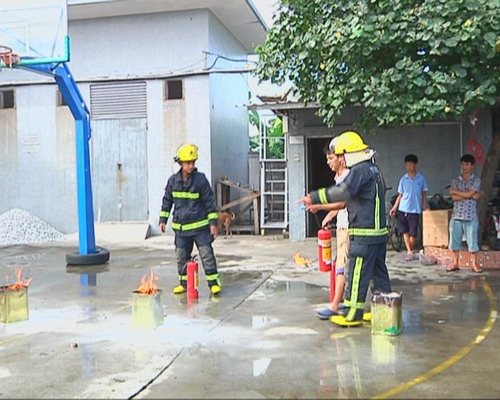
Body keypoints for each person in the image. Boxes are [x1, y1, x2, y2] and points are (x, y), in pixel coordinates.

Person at [300, 131, 392, 327]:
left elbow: (342, 192)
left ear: (348, 153)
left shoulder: (359, 170)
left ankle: (352, 313)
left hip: (364, 233)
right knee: (379, 274)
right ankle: (384, 310)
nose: (340, 158)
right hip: (379, 233)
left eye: (341, 154)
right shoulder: (374, 169)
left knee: (356, 275)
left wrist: (314, 197)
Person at [159, 143, 222, 294]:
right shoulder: (173, 181)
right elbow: (167, 201)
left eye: (193, 162)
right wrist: (163, 220)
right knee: (181, 257)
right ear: (181, 163)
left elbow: (209, 202)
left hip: (200, 228)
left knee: (207, 255)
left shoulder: (200, 180)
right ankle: (184, 284)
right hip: (181, 229)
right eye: (188, 162)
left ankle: (214, 283)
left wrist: (213, 224)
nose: (191, 165)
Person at [309, 141, 350, 319]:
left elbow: (342, 202)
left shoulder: (347, 177)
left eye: (331, 158)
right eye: (327, 158)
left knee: (341, 265)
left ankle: (335, 305)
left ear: (341, 158)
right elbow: (340, 205)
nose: (328, 162)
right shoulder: (339, 178)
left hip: (348, 227)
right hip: (342, 226)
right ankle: (347, 301)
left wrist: (319, 206)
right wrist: (329, 216)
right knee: (343, 264)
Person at [447, 154, 483, 273]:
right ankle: (455, 263)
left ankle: (474, 264)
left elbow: (465, 194)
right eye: (462, 164)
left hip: (470, 216)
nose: (464, 167)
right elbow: (454, 197)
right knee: (454, 242)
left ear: (472, 166)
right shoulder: (455, 180)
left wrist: (457, 192)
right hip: (456, 216)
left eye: (467, 164)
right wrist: (470, 195)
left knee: (472, 242)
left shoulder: (476, 180)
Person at [389, 154, 429, 261]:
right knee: (405, 231)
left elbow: (424, 193)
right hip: (403, 208)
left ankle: (410, 250)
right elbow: (400, 195)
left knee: (413, 232)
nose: (409, 167)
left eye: (411, 164)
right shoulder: (403, 179)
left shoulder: (421, 178)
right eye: (407, 165)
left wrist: (424, 205)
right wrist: (394, 208)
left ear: (415, 165)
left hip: (415, 209)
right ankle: (409, 251)